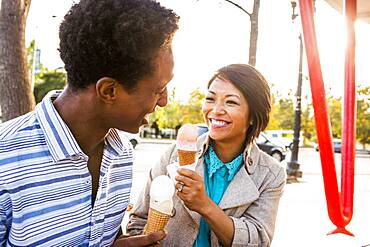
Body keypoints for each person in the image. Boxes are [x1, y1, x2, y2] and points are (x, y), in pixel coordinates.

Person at [0, 0, 178, 246]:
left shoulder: (122, 154)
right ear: (109, 91)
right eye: (158, 90)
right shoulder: (5, 159)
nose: (164, 101)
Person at [127, 64, 286, 246]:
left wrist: (204, 205)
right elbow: (139, 221)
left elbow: (258, 240)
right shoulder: (174, 154)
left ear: (253, 115)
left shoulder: (271, 175)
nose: (216, 110)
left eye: (231, 102)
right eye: (210, 99)